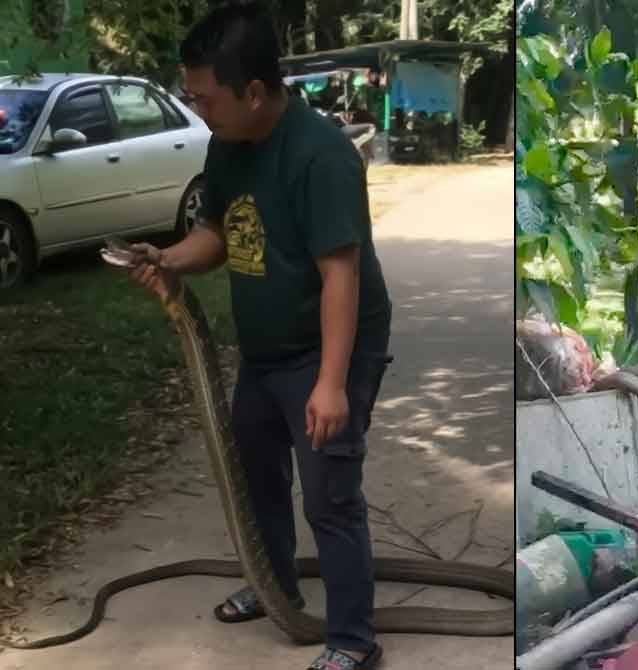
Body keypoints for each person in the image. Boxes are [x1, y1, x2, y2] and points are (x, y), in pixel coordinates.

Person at [126, 4, 391, 669]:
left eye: (205, 98)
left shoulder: (321, 156)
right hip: (267, 349)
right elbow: (219, 232)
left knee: (329, 495)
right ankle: (274, 589)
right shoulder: (227, 144)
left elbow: (341, 275)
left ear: (253, 91)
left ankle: (353, 639)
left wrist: (332, 384)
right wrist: (167, 260)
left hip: (332, 344)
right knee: (258, 474)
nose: (199, 110)